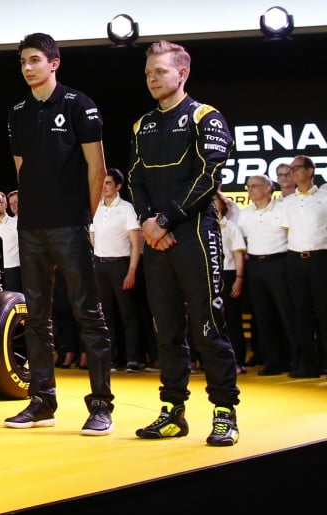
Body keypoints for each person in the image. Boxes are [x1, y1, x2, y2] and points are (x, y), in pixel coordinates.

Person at [127, 40, 240, 446]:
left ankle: (225, 411)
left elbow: (209, 176)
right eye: (148, 73)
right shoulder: (143, 124)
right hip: (157, 239)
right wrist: (147, 221)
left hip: (194, 234)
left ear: (182, 73)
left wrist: (166, 219)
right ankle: (172, 411)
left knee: (208, 327)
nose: (152, 79)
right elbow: (136, 179)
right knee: (167, 332)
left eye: (159, 71)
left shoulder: (205, 117)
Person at [4, 32, 114, 436]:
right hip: (31, 227)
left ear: (54, 63)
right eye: (22, 61)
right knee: (36, 318)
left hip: (70, 224)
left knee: (88, 315)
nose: (28, 67)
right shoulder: (17, 111)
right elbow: (21, 169)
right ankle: (42, 401)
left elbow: (96, 168)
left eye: (35, 60)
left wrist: (85, 217)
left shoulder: (78, 104)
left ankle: (101, 405)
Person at [238, 174, 295, 375]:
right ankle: (272, 361)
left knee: (286, 313)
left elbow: (291, 234)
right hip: (255, 265)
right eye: (248, 187)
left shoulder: (282, 209)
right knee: (262, 315)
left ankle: (294, 359)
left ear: (268, 188)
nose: (250, 190)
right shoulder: (244, 214)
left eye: (254, 186)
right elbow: (242, 241)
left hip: (279, 263)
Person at [90, 168, 144, 372]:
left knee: (128, 314)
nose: (104, 187)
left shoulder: (127, 208)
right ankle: (111, 358)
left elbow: (136, 243)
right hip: (100, 265)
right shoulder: (96, 207)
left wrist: (131, 271)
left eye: (108, 183)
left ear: (118, 186)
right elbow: (92, 236)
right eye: (102, 183)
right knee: (106, 315)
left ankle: (133, 359)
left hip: (121, 265)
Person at [282, 155, 327, 377]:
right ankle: (307, 365)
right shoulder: (288, 201)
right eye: (290, 169)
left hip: (321, 259)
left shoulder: (325, 195)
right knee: (300, 313)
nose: (292, 172)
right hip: (294, 260)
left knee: (324, 312)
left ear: (310, 171)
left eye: (296, 168)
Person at [213, 194, 247, 374]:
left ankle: (238, 361)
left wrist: (239, 278)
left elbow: (238, 254)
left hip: (229, 274)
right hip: (211, 277)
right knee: (213, 321)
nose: (212, 205)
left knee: (232, 321)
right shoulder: (204, 228)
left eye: (215, 202)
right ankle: (217, 362)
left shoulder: (232, 228)